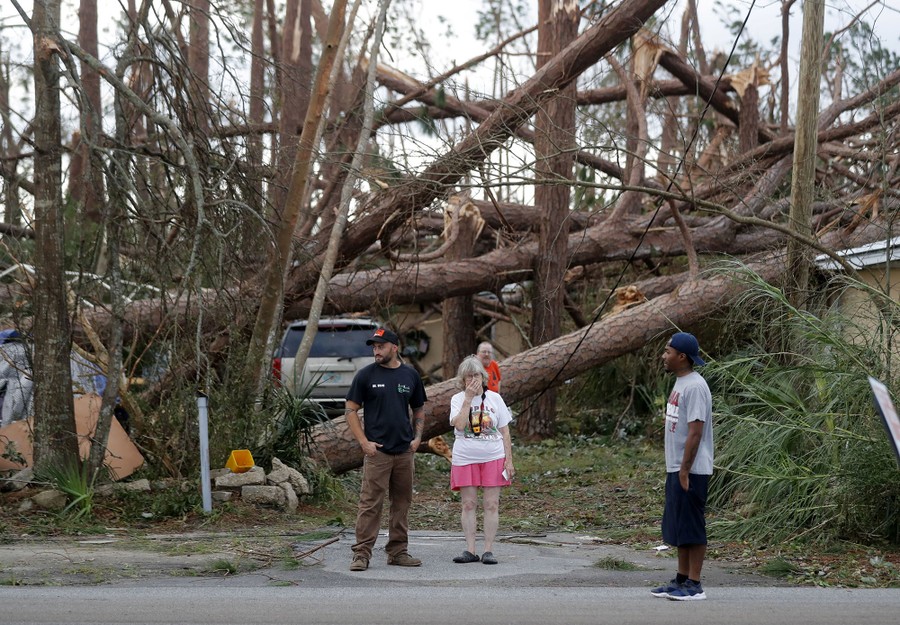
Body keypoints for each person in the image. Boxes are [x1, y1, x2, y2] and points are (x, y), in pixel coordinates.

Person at [345, 328, 427, 571]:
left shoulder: (410, 375)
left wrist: (417, 438)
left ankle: (398, 551)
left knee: (402, 503)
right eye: (374, 347)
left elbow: (419, 409)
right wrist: (363, 442)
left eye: (380, 346)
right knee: (370, 503)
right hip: (377, 452)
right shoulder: (365, 376)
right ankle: (361, 553)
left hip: (403, 452)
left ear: (394, 347)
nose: (376, 350)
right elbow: (350, 410)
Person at [651, 332, 714, 601]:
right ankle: (681, 579)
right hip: (676, 467)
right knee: (678, 526)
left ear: (682, 357)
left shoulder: (696, 386)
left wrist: (685, 470)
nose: (664, 356)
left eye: (668, 352)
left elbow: (696, 432)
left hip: (692, 469)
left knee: (692, 526)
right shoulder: (681, 383)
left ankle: (695, 584)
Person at [448, 355, 514, 565]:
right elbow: (459, 425)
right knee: (468, 504)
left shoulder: (495, 398)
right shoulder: (457, 399)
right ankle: (470, 550)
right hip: (465, 457)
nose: (473, 379)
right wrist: (468, 399)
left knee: (491, 504)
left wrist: (509, 461)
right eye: (468, 376)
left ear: (483, 376)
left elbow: (505, 432)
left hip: (493, 456)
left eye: (476, 375)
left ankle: (488, 550)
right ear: (462, 379)